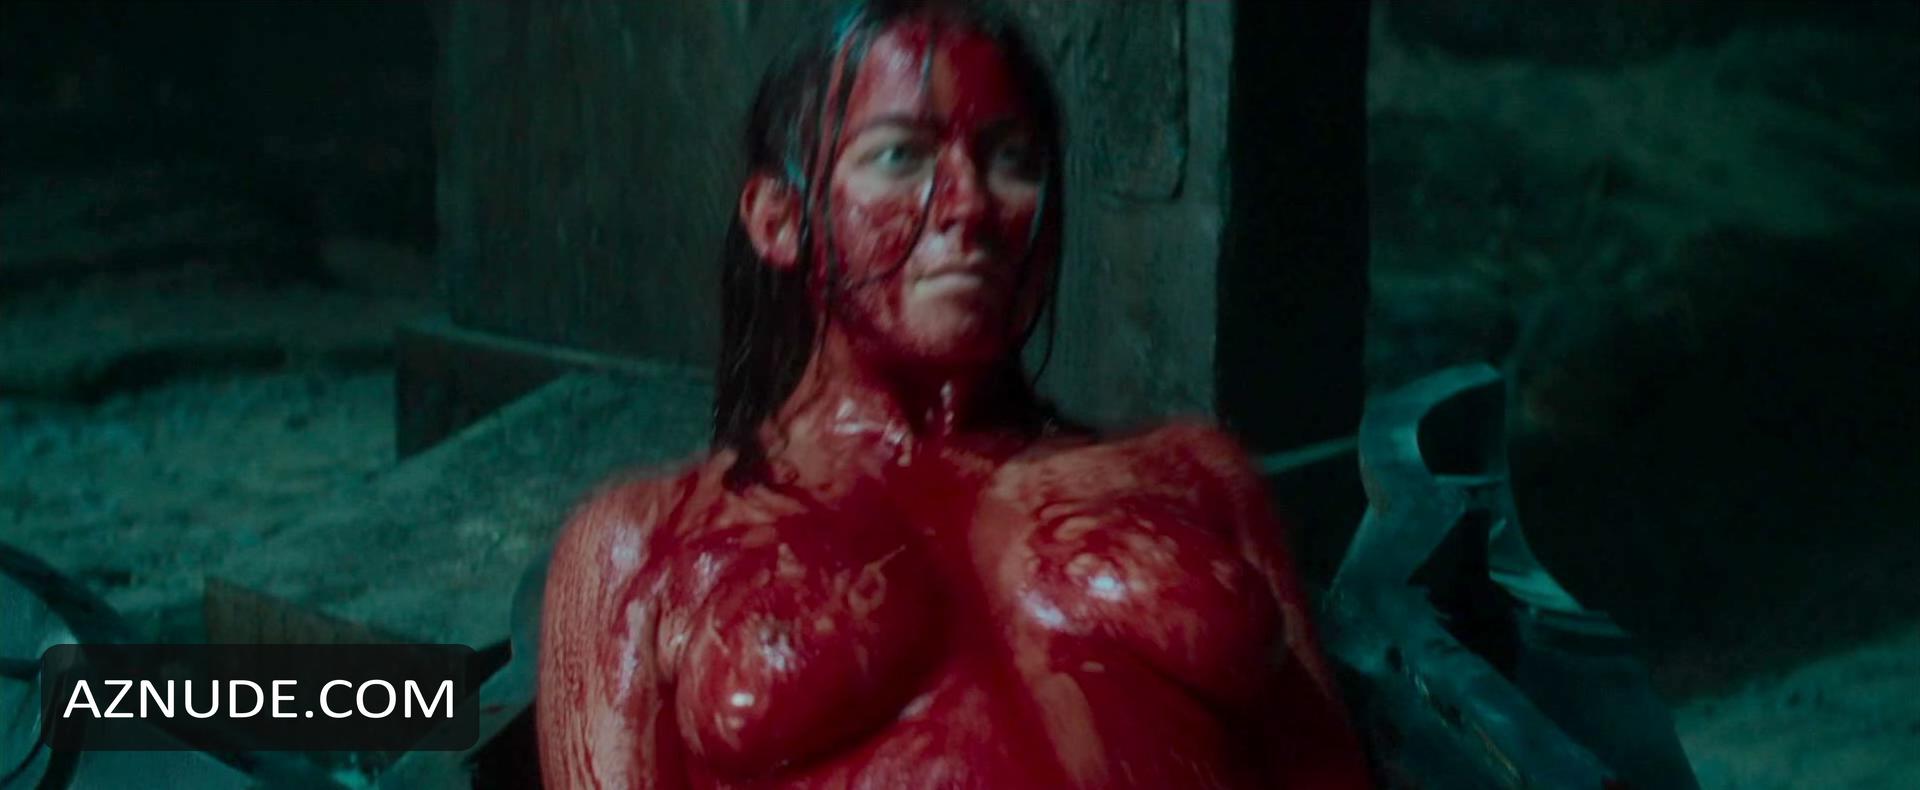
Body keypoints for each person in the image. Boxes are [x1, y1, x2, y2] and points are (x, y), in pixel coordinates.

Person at [537, 1, 1371, 786]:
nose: (970, 204)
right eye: (900, 155)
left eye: (1014, 161)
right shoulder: (642, 543)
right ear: (779, 221)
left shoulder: (1195, 479)